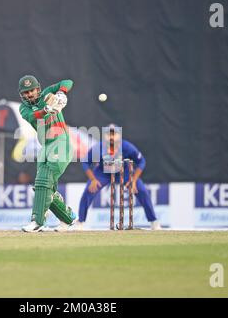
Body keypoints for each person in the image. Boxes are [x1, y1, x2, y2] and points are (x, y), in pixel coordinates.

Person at [18, 74, 77, 232]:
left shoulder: (47, 93)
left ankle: (37, 221)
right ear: (22, 95)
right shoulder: (24, 108)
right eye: (26, 92)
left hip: (61, 143)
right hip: (46, 146)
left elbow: (68, 81)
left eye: (32, 90)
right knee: (42, 186)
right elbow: (33, 116)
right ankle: (68, 218)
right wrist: (46, 110)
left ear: (38, 89)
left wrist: (62, 92)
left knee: (44, 180)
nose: (30, 94)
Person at [77, 124, 161, 230]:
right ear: (105, 136)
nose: (111, 137)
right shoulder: (99, 147)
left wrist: (134, 180)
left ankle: (153, 221)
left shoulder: (126, 146)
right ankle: (80, 222)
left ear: (119, 136)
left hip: (124, 172)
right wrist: (93, 179)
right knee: (88, 191)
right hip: (103, 173)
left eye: (114, 134)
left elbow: (141, 161)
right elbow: (85, 162)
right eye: (108, 134)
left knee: (142, 191)